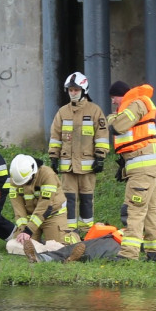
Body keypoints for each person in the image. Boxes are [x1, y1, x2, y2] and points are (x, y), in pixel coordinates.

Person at [47, 71, 109, 241]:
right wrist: (53, 157)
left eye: (76, 90)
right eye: (70, 90)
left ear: (84, 90)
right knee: (69, 200)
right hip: (68, 167)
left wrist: (100, 157)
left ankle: (87, 234)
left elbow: (102, 136)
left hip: (88, 167)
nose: (73, 93)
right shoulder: (62, 112)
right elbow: (55, 136)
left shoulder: (95, 111)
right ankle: (69, 233)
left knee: (87, 199)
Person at [106, 80, 156, 262]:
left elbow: (117, 126)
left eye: (114, 98)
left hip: (142, 168)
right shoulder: (138, 103)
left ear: (121, 94)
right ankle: (155, 254)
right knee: (150, 211)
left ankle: (128, 255)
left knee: (134, 210)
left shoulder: (136, 103)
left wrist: (110, 118)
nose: (114, 102)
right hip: (145, 167)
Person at [6, 154, 68, 246]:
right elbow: (18, 208)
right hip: (30, 217)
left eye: (27, 181)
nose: (24, 184)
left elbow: (45, 206)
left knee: (57, 246)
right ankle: (37, 245)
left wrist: (29, 230)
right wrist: (23, 230)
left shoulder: (47, 175)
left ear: (33, 171)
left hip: (53, 215)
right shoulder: (16, 179)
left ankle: (74, 236)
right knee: (17, 245)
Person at [22, 222, 125, 264]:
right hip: (110, 237)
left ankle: (71, 260)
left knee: (91, 253)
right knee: (74, 248)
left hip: (120, 245)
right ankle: (40, 257)